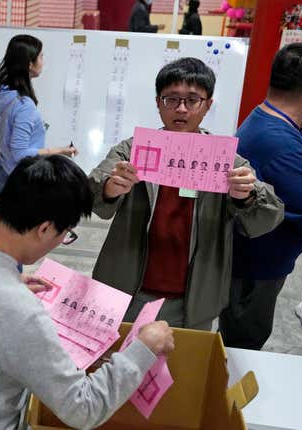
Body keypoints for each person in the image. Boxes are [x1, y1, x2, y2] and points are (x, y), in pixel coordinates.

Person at [0, 155, 175, 430]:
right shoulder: (21, 313)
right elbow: (83, 408)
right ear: (44, 228)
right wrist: (144, 349)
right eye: (66, 233)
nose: (61, 241)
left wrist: (9, 279)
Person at [89, 58, 284, 330]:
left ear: (207, 105)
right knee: (121, 366)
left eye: (192, 100)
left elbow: (268, 217)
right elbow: (91, 193)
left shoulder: (224, 161)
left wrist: (248, 196)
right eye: (171, 99)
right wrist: (110, 187)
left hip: (194, 298)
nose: (181, 109)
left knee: (182, 366)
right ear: (158, 102)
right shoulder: (133, 151)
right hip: (128, 289)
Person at [220, 43, 302, 348]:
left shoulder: (267, 118)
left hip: (252, 257)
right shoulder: (279, 142)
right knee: (245, 342)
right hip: (256, 267)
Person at [0, 34, 76, 196]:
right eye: (41, 56)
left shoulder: (5, 91)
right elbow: (20, 154)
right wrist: (59, 150)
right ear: (30, 64)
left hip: (3, 171)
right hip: (17, 180)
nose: (43, 61)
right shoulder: (24, 106)